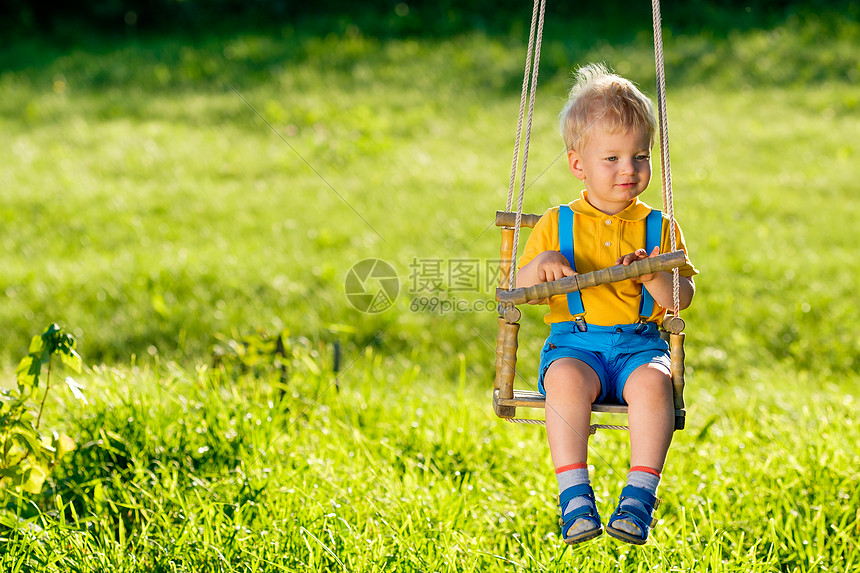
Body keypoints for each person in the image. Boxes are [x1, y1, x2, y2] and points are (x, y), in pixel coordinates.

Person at [515, 63, 698, 545]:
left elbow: (683, 299)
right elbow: (518, 286)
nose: (629, 169)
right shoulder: (556, 223)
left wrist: (657, 278)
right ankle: (574, 496)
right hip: (576, 346)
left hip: (640, 346)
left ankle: (639, 496)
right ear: (578, 164)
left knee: (656, 387)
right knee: (566, 383)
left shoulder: (661, 228)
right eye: (612, 158)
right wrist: (544, 266)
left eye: (640, 156)